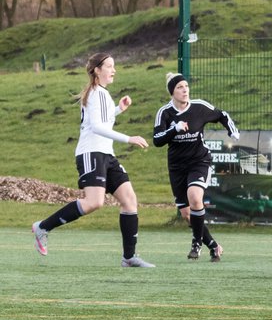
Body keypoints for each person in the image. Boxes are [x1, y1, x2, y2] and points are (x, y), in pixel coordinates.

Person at [31, 52, 154, 267]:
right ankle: (42, 227)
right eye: (109, 66)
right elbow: (96, 127)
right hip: (91, 153)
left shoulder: (102, 94)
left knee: (129, 200)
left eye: (114, 66)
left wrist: (118, 110)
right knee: (94, 202)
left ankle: (129, 257)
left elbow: (102, 121)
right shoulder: (96, 93)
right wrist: (129, 138)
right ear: (97, 70)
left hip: (107, 154)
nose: (114, 70)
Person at [153, 73, 240, 262]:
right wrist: (174, 129)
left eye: (186, 86)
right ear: (172, 92)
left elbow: (221, 115)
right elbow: (157, 140)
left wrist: (231, 129)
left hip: (199, 161)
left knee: (195, 197)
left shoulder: (199, 107)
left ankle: (196, 243)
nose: (185, 90)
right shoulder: (165, 113)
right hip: (177, 167)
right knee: (186, 214)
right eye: (179, 87)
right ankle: (214, 246)